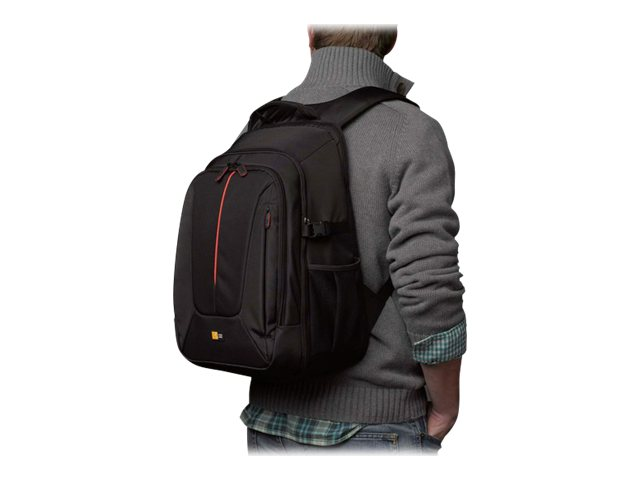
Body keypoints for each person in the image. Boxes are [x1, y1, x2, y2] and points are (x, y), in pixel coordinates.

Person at [240, 24, 467, 455]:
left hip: (268, 422)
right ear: (389, 37)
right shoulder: (410, 130)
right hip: (374, 423)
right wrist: (446, 406)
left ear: (311, 34)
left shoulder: (260, 126)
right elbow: (427, 279)